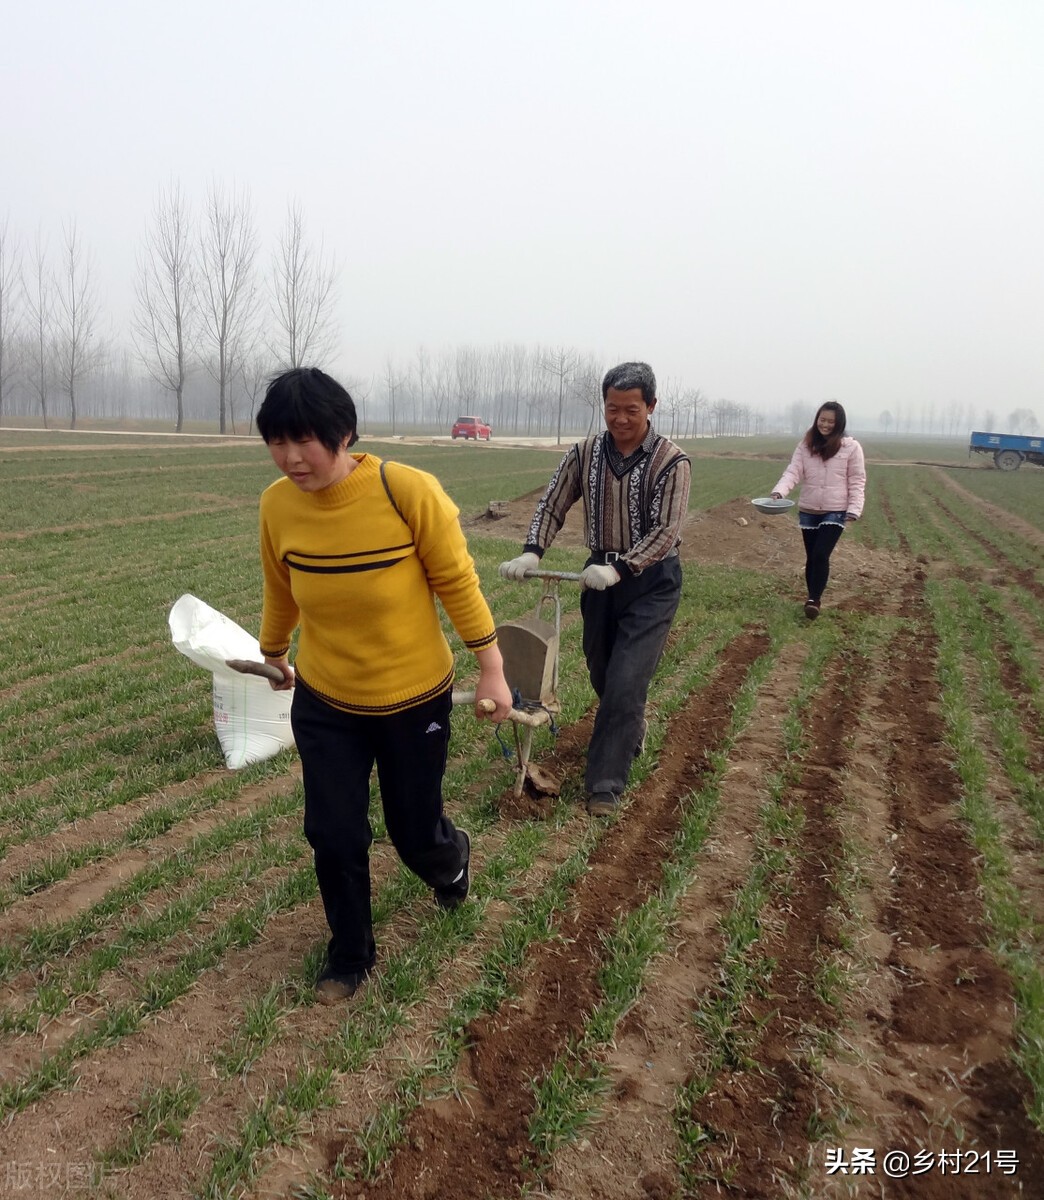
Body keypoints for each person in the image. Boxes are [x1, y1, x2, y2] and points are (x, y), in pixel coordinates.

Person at [255, 367, 513, 1004]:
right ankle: (350, 953)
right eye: (276, 442)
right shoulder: (276, 504)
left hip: (411, 696)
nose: (290, 458)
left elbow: (457, 581)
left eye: (304, 441)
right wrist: (272, 652)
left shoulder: (406, 491)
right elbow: (282, 586)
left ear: (343, 434)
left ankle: (450, 859)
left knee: (412, 830)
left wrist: (492, 667)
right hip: (325, 698)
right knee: (333, 831)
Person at [499, 361, 690, 817]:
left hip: (652, 582)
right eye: (612, 409)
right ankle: (630, 726)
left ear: (651, 407)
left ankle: (604, 785)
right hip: (598, 580)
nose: (621, 419)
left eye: (631, 410)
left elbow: (667, 531)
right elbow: (553, 502)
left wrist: (623, 567)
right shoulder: (584, 453)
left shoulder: (671, 461)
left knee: (626, 681)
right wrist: (532, 552)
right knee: (602, 672)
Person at [770, 400, 866, 619]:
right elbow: (793, 471)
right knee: (811, 556)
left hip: (836, 510)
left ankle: (814, 600)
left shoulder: (851, 447)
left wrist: (854, 508)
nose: (825, 425)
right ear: (817, 420)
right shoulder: (806, 445)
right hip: (809, 508)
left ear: (839, 423)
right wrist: (779, 492)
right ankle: (812, 595)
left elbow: (857, 480)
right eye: (822, 420)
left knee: (822, 554)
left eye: (831, 421)